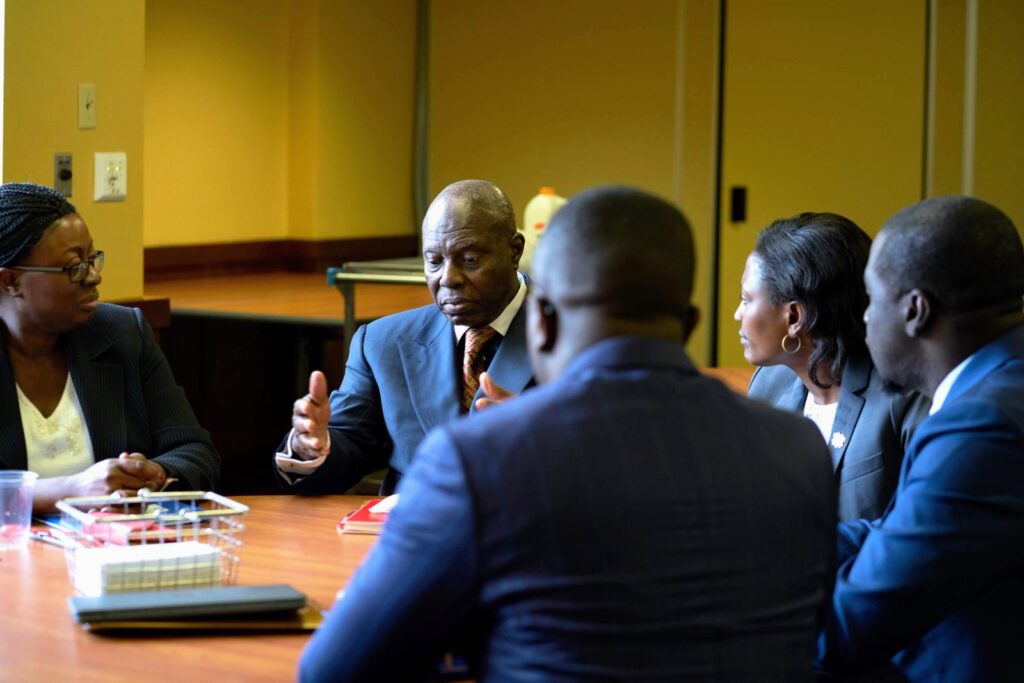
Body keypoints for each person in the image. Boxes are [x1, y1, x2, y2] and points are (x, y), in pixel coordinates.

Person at [299, 186, 836, 682]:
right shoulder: (797, 448)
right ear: (690, 324)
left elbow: (334, 669)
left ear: (542, 321)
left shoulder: (480, 458)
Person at [817, 196, 1024, 680]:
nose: (864, 319)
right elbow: (903, 530)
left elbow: (850, 626)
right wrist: (769, 542)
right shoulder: (1000, 386)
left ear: (915, 310)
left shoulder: (982, 426)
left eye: (871, 300)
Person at [275, 179, 532, 494]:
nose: (448, 279)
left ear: (514, 251)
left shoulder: (573, 335)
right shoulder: (383, 342)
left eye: (469, 260)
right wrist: (313, 446)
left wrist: (541, 443)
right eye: (434, 261)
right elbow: (350, 442)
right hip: (417, 520)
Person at [0, 182, 219, 511]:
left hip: (114, 540)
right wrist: (72, 490)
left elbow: (196, 452)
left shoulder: (123, 334)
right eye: (74, 267)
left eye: (92, 259)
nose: (93, 276)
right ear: (11, 281)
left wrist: (149, 476)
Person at [736, 213, 928, 521]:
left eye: (746, 300)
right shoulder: (768, 384)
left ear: (794, 317)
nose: (738, 314)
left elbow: (920, 524)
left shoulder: (902, 397)